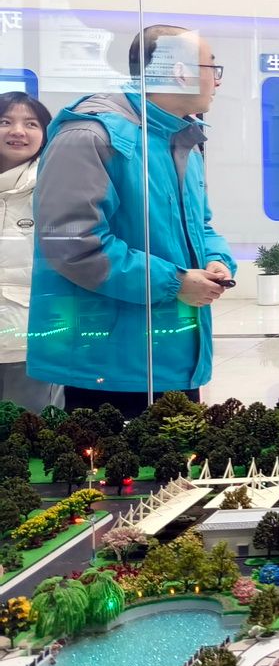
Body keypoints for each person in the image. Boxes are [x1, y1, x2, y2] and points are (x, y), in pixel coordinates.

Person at [29, 26, 234, 415]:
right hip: (108, 365)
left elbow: (201, 226)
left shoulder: (179, 139)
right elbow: (71, 243)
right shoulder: (92, 135)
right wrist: (175, 282)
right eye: (213, 68)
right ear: (180, 72)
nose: (218, 81)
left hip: (172, 357)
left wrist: (216, 261)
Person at [0, 93, 59, 411]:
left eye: (31, 124)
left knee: (28, 433)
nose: (17, 131)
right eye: (5, 121)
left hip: (30, 343)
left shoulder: (57, 185)